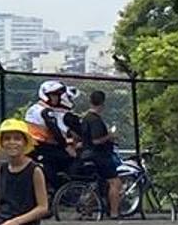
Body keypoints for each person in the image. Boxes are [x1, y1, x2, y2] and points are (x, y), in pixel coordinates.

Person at [25, 80, 81, 187]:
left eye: (58, 95)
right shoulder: (46, 111)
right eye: (53, 95)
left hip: (32, 147)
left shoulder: (33, 108)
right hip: (43, 147)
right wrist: (67, 148)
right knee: (72, 159)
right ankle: (65, 189)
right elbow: (55, 131)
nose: (56, 98)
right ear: (45, 95)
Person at [80, 88, 122, 216]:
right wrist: (110, 136)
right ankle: (114, 212)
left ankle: (87, 209)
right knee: (115, 182)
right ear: (103, 103)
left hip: (86, 154)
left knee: (98, 183)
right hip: (100, 156)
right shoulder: (96, 120)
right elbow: (96, 140)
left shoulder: (85, 118)